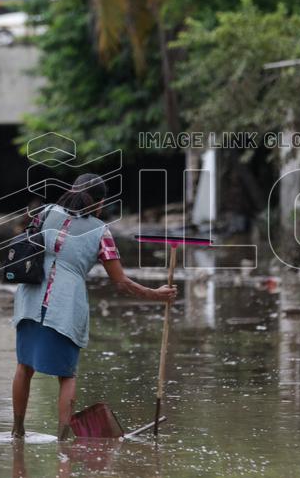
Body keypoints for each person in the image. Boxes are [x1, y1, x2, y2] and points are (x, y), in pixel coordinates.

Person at [11, 173, 177, 440]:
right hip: (65, 307)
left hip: (29, 298)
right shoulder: (101, 231)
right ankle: (63, 441)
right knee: (67, 376)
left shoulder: (44, 213)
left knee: (24, 366)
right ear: (99, 204)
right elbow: (121, 282)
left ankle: (17, 431)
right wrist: (156, 295)